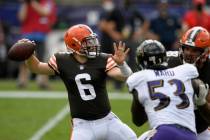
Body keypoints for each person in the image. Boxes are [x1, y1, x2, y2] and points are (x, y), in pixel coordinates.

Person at [19, 24, 137, 140]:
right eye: (88, 42)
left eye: (92, 41)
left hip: (107, 120)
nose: (93, 45)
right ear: (75, 44)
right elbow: (37, 67)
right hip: (82, 124)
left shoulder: (102, 59)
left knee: (132, 137)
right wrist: (29, 55)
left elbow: (125, 76)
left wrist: (122, 64)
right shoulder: (62, 60)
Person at [127, 39, 208, 140]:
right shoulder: (186, 72)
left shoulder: (139, 79)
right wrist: (201, 101)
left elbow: (137, 121)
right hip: (190, 135)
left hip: (164, 132)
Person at [167, 26, 210, 140]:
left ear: (205, 52)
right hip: (170, 127)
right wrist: (123, 67)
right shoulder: (169, 61)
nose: (189, 53)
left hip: (200, 129)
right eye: (186, 48)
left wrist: (201, 101)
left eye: (194, 50)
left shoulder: (208, 68)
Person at [17, 0, 57, 89]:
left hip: (42, 35)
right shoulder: (26, 3)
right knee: (24, 59)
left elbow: (45, 12)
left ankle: (43, 81)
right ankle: (22, 81)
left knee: (43, 59)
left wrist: (32, 2)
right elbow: (21, 18)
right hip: (28, 34)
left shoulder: (47, 1)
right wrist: (26, 3)